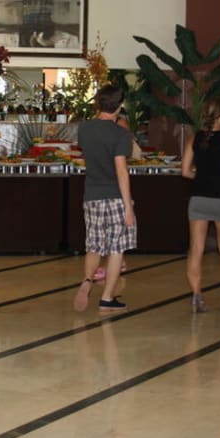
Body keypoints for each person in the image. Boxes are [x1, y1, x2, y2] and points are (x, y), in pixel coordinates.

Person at [73, 84, 137, 313]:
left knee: (94, 245)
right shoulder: (120, 134)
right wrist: (128, 206)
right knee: (117, 248)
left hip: (92, 195)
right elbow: (121, 171)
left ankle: (87, 280)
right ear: (119, 106)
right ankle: (107, 298)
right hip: (114, 196)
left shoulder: (84, 128)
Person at [181, 99, 220, 312]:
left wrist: (201, 177)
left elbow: (185, 171)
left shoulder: (194, 138)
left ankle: (196, 297)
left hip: (198, 198)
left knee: (196, 249)